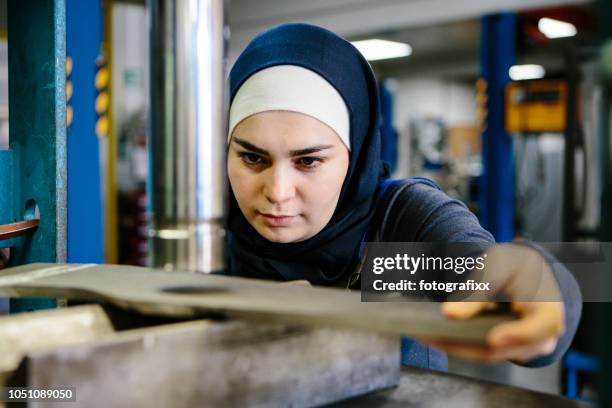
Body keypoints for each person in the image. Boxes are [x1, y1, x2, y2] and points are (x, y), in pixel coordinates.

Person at [224, 23, 581, 370]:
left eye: (308, 161)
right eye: (253, 158)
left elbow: (480, 269)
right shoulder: (208, 235)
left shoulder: (395, 230)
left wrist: (536, 283)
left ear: (355, 155)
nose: (277, 192)